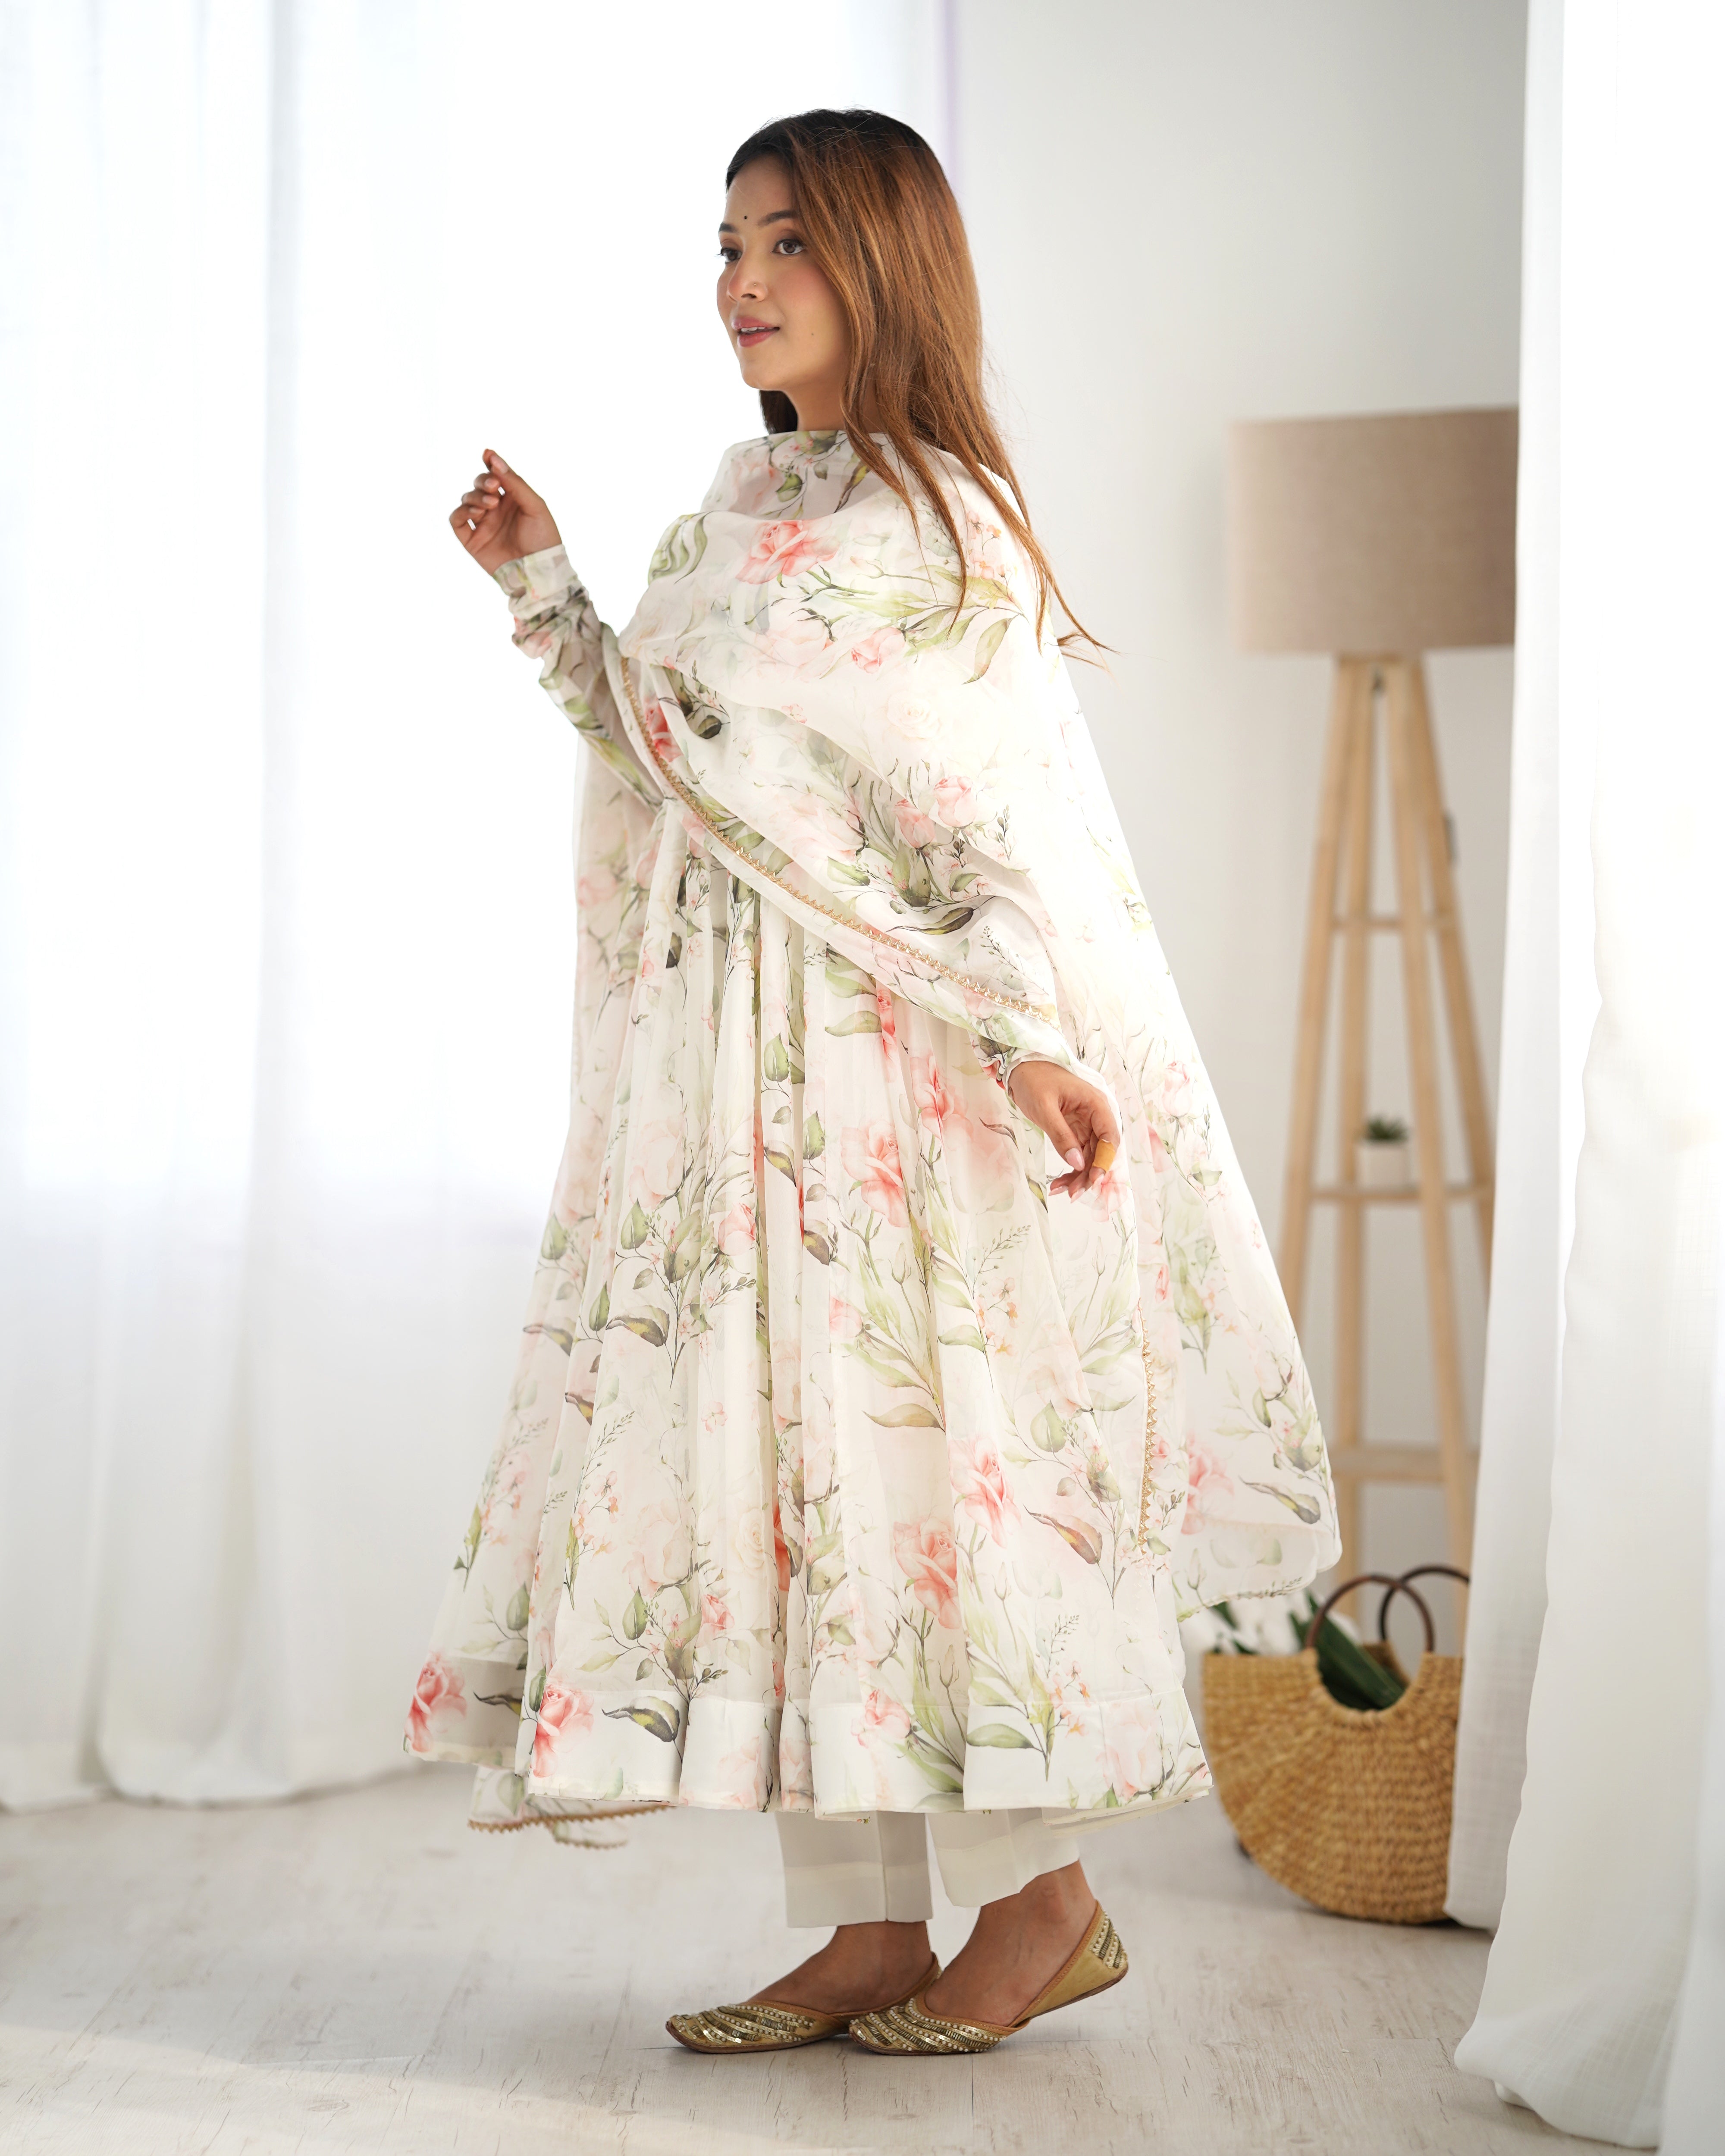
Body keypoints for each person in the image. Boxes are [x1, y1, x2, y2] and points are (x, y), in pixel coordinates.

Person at [407, 108, 1336, 2057]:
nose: (743, 283)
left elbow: (987, 828)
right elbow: (674, 755)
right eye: (728, 245)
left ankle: (1047, 1903)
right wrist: (544, 586)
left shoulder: (946, 527)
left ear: (884, 263)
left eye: (790, 243)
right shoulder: (735, 516)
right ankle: (864, 1927)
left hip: (889, 1077)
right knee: (787, 1486)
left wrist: (1030, 1038)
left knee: (912, 1476)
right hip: (727, 1087)